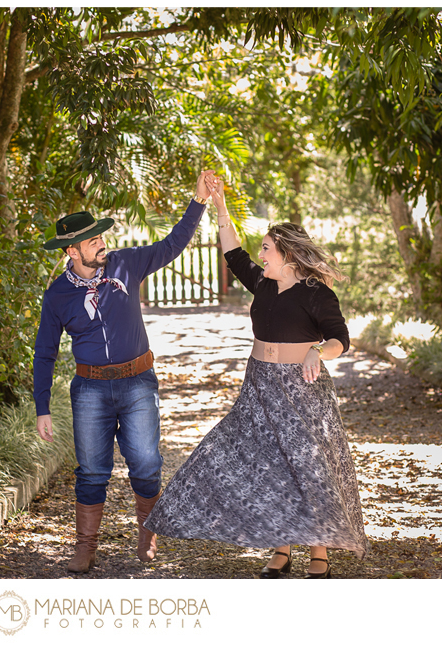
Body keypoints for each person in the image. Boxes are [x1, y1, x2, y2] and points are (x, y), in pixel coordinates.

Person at [144, 176, 368, 578]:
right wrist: (220, 204)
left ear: (288, 255)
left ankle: (320, 555)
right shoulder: (263, 284)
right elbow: (232, 251)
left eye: (267, 248)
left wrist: (318, 351)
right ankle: (280, 552)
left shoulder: (317, 293)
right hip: (259, 386)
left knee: (308, 468)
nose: (261, 254)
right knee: (268, 467)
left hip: (301, 391)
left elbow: (341, 339)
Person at [33, 172, 213, 573]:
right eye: (93, 241)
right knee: (92, 471)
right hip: (90, 390)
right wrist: (41, 405)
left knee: (147, 464)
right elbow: (44, 351)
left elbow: (171, 245)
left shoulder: (126, 264)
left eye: (101, 237)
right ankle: (85, 547)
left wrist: (197, 201)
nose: (102, 244)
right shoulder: (58, 295)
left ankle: (147, 533)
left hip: (137, 384)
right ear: (71, 251)